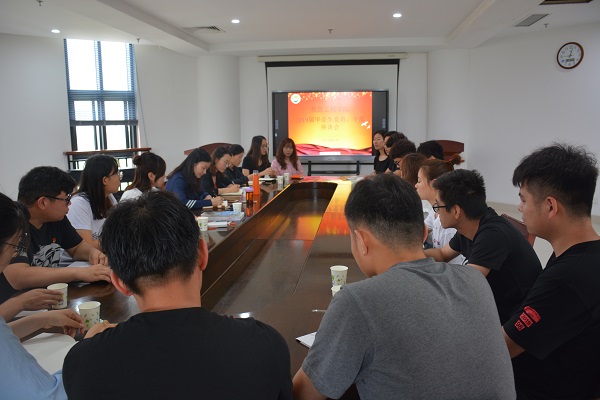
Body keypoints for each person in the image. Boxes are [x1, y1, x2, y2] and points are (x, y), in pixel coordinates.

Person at [292, 174, 515, 400]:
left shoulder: (357, 302)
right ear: (424, 233)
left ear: (361, 241)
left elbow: (302, 394)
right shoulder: (474, 280)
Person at [63, 191, 293, 399]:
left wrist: (91, 346)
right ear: (202, 254)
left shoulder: (84, 363)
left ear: (119, 282)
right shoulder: (264, 345)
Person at [502, 144, 600, 400]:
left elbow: (500, 349)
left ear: (550, 207)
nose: (520, 208)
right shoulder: (582, 255)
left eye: (523, 199)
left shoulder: (567, 277)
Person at [424, 169, 542, 324]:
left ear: (456, 211)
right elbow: (442, 254)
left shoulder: (492, 235)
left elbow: (464, 285)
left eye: (438, 206)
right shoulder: (471, 225)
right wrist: (410, 254)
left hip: (514, 320)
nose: (437, 212)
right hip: (493, 307)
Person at [0, 192, 85, 400]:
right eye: (15, 246)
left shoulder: (59, 222)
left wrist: (42, 320)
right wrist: (89, 350)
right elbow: (50, 395)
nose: (14, 255)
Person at [0, 167, 111, 306]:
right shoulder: (14, 224)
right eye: (66, 198)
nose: (70, 203)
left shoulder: (56, 219)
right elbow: (18, 276)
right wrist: (79, 273)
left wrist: (92, 253)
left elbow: (77, 247)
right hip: (14, 307)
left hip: (49, 299)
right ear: (43, 203)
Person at [416, 156, 465, 264]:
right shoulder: (435, 211)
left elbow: (451, 263)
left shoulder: (449, 223)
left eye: (419, 181)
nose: (416, 185)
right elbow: (422, 229)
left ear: (434, 183)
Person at [66, 154, 119, 249]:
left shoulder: (109, 197)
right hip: (82, 258)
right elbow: (86, 246)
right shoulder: (78, 203)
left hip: (103, 254)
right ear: (105, 180)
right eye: (117, 174)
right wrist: (121, 242)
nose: (119, 178)